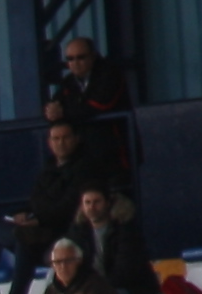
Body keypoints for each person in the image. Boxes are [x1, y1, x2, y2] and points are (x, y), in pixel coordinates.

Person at [0, 121, 99, 294]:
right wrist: (25, 215)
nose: (60, 143)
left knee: (27, 244)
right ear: (49, 142)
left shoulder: (86, 168)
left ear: (76, 139)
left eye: (65, 138)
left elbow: (70, 205)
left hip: (74, 234)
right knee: (20, 240)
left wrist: (39, 218)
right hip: (47, 233)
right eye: (56, 139)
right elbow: (36, 201)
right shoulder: (47, 169)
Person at [47, 34, 136, 185]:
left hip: (116, 155)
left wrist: (65, 112)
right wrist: (50, 112)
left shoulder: (110, 73)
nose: (75, 63)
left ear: (93, 56)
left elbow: (100, 105)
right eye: (70, 59)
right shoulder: (69, 82)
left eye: (80, 57)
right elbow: (54, 107)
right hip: (85, 157)